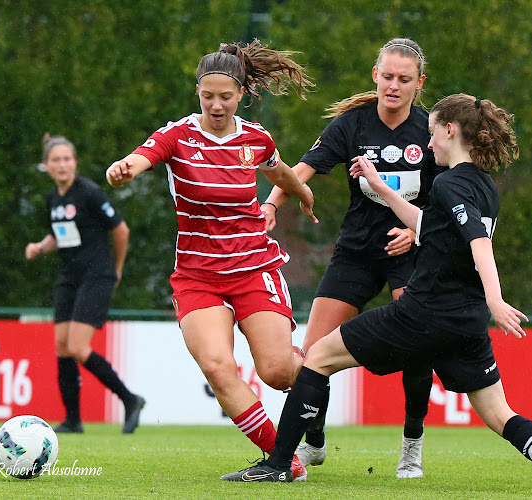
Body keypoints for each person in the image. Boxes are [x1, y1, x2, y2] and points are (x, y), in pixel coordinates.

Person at [221, 94, 532, 491]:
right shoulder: (483, 185)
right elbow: (428, 224)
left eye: (433, 133)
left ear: (450, 131)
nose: (428, 142)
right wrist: (380, 186)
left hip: (421, 314)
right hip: (465, 325)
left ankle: (278, 465)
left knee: (317, 359)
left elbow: (478, 244)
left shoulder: (450, 183)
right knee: (501, 414)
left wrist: (496, 299)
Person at [105, 40, 317, 480]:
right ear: (197, 92)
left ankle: (316, 394)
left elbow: (279, 171)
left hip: (254, 268)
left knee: (278, 372)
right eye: (207, 96)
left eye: (225, 96)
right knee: (219, 369)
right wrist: (123, 168)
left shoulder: (255, 138)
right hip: (198, 276)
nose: (216, 105)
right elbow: (141, 158)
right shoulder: (177, 135)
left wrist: (302, 194)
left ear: (240, 94)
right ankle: (284, 461)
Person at [262, 37, 441, 479]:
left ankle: (411, 447)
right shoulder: (352, 125)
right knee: (312, 353)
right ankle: (314, 442)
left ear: (420, 83)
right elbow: (301, 169)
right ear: (374, 76)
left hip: (411, 255)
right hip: (357, 254)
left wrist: (416, 230)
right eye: (387, 77)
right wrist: (270, 206)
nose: (393, 86)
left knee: (418, 348)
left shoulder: (432, 131)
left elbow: (450, 197)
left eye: (404, 79)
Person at [25, 134, 145, 434]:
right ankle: (73, 420)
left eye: (67, 159)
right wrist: (40, 246)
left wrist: (116, 270)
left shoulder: (89, 192)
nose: (62, 165)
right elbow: (61, 234)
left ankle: (130, 400)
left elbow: (121, 229)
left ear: (75, 163)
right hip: (70, 276)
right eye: (56, 160)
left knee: (79, 347)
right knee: (63, 347)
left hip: (97, 274)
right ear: (46, 166)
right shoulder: (54, 199)